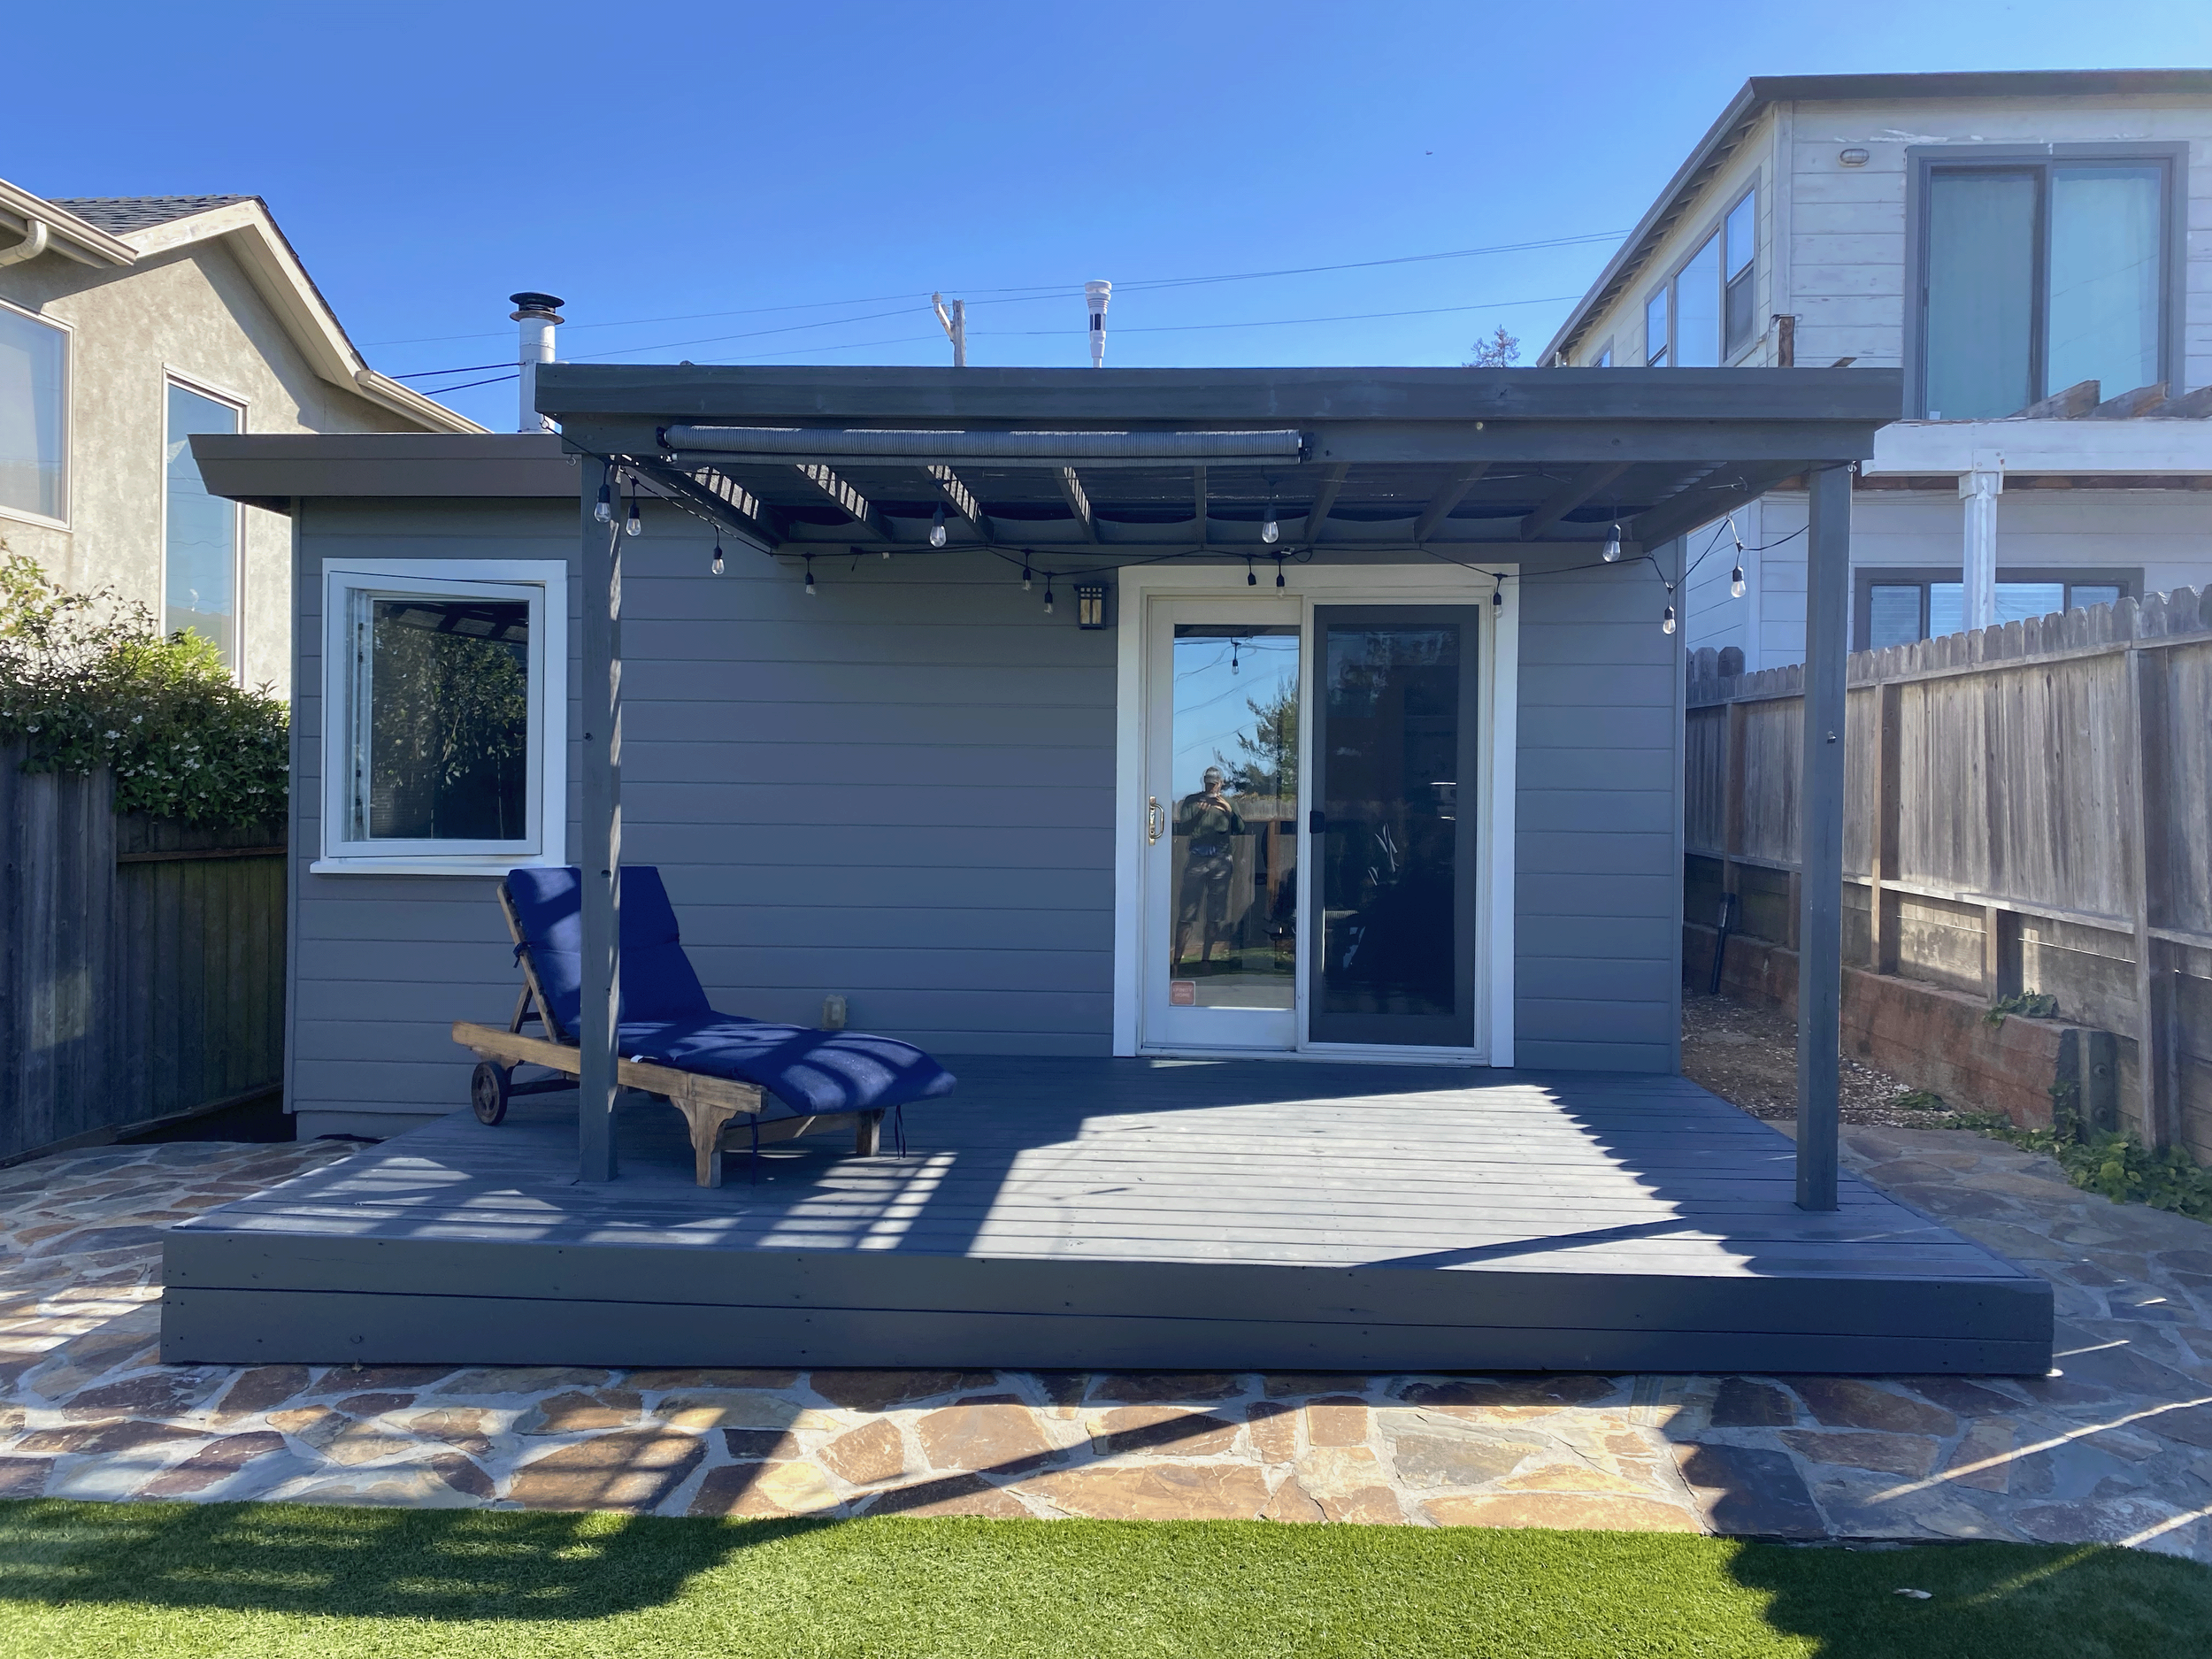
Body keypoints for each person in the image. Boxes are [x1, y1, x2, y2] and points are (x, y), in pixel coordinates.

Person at [1174, 767, 1244, 969]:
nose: (1211, 786)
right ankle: (1177, 962)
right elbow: (1183, 829)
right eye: (1208, 782)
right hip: (1197, 858)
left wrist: (1229, 813)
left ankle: (1206, 960)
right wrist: (1199, 814)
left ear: (1221, 783)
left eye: (1214, 782)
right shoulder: (1192, 801)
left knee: (1215, 912)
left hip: (1221, 860)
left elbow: (1240, 830)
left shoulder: (1229, 803)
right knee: (1187, 911)